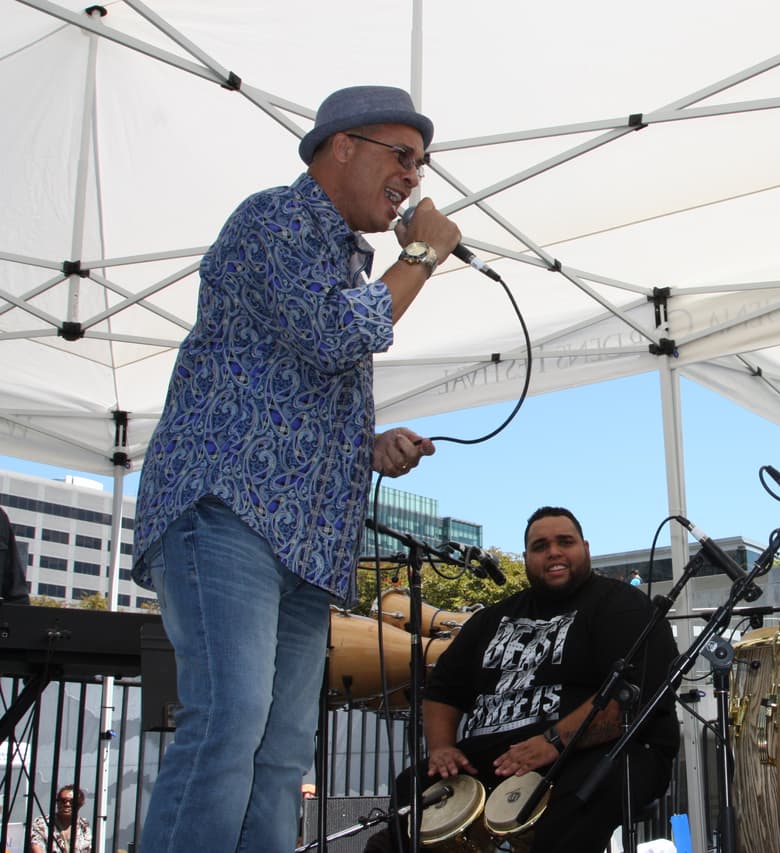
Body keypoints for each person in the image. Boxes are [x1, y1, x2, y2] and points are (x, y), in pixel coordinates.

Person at [130, 85, 462, 853]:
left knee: (281, 756)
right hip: (228, 513)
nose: (414, 178)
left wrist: (370, 444)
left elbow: (299, 379)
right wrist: (423, 255)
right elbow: (331, 334)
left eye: (421, 164)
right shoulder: (274, 217)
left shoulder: (346, 262)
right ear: (340, 146)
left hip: (305, 548)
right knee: (229, 723)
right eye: (401, 156)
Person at [365, 506, 681, 853]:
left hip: (597, 751)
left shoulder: (621, 605)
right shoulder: (492, 619)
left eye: (565, 542)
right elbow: (442, 691)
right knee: (410, 790)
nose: (554, 552)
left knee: (578, 798)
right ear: (527, 557)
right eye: (540, 545)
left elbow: (628, 698)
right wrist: (442, 748)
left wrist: (554, 742)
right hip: (494, 757)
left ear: (585, 548)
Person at [29, 786, 90, 853]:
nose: (67, 804)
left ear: (80, 805)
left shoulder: (83, 825)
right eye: (63, 801)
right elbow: (37, 847)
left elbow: (87, 849)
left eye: (72, 802)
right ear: (57, 802)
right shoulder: (41, 823)